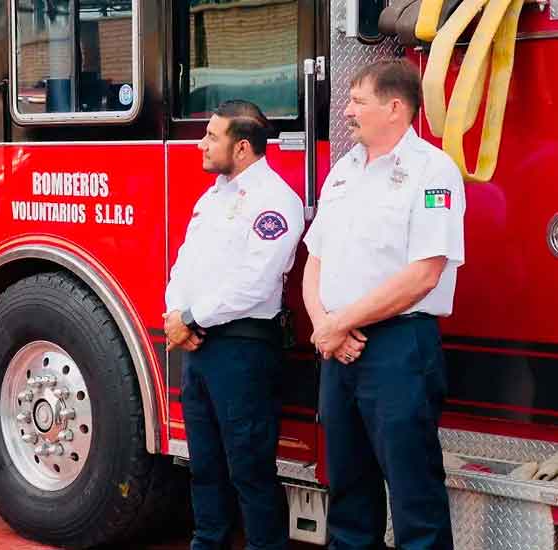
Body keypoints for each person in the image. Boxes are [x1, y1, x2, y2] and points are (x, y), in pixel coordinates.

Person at [302, 59, 465, 549]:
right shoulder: (342, 172)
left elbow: (423, 274)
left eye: (358, 101)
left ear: (395, 108)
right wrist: (324, 324)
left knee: (415, 498)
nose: (346, 110)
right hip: (339, 350)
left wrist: (339, 325)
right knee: (348, 494)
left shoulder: (432, 171)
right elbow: (316, 259)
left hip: (399, 349)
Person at [164, 100, 303, 550]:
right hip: (199, 347)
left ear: (242, 147)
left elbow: (254, 284)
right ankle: (207, 542)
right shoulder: (212, 196)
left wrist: (190, 318)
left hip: (242, 351)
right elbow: (185, 262)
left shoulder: (276, 201)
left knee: (249, 469)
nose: (201, 145)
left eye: (211, 137)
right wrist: (175, 313)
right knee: (204, 465)